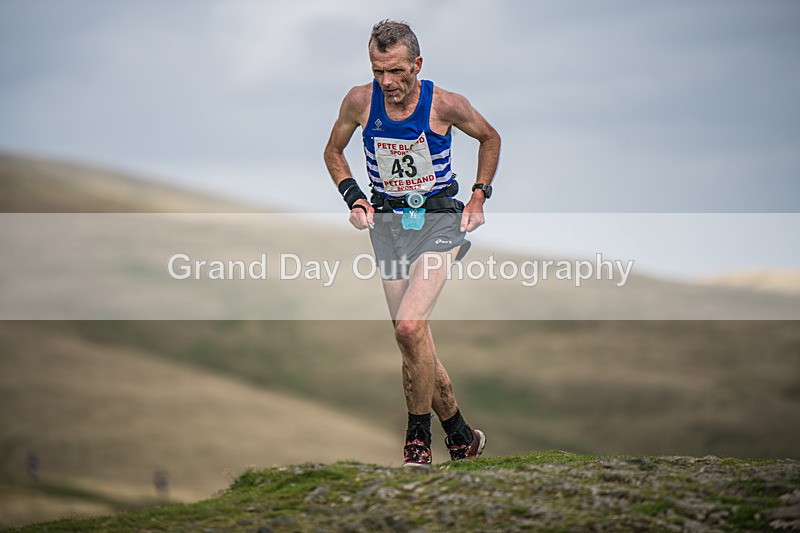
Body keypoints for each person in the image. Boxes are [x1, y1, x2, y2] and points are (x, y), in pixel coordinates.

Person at [323, 20, 500, 467]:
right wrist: (354, 197)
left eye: (396, 71)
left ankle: (417, 443)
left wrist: (479, 196)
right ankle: (461, 435)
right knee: (413, 339)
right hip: (387, 226)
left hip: (439, 220)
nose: (387, 82)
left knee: (408, 326)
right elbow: (333, 151)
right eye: (378, 70)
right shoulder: (359, 102)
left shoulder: (446, 104)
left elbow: (490, 138)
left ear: (417, 64)